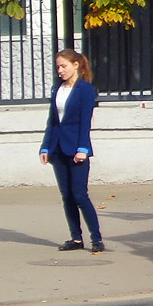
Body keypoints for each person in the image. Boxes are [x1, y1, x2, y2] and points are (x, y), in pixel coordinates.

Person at [40, 49, 104, 253]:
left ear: (76, 65)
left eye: (64, 66)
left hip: (77, 148)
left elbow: (85, 121)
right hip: (58, 148)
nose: (60, 70)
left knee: (80, 195)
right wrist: (46, 146)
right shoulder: (57, 88)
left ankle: (96, 238)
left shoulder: (85, 89)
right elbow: (52, 121)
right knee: (66, 195)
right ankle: (76, 238)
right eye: (58, 66)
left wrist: (83, 148)